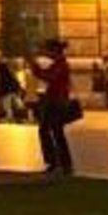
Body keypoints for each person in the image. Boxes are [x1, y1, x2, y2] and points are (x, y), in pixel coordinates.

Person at [33, 37, 76, 176]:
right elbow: (46, 75)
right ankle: (61, 163)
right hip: (54, 100)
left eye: (49, 50)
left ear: (55, 50)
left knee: (49, 131)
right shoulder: (58, 63)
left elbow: (49, 77)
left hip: (56, 101)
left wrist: (35, 68)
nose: (47, 53)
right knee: (54, 132)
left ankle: (58, 163)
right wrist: (36, 69)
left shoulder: (61, 64)